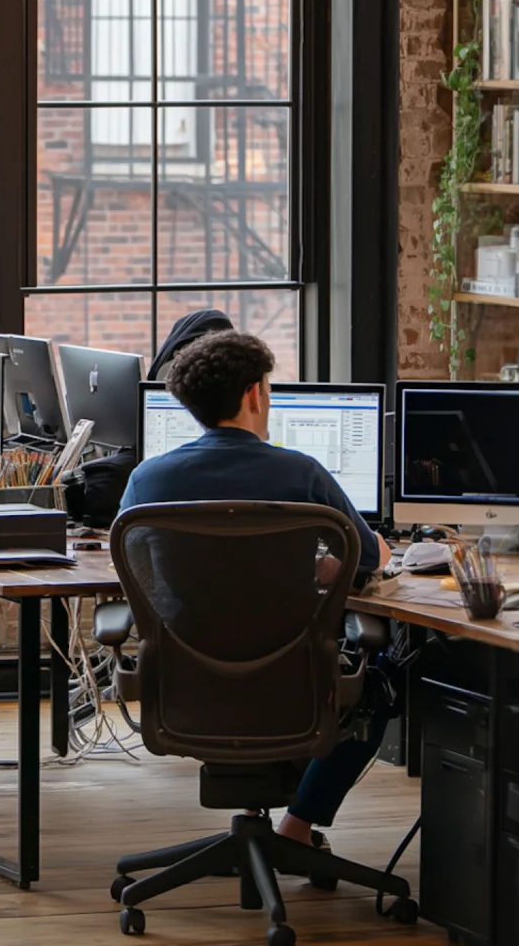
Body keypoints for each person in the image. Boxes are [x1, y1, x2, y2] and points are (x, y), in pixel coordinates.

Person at [116, 330, 394, 849]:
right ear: (254, 394)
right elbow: (369, 560)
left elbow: (142, 573)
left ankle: (267, 817)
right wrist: (323, 569)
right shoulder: (302, 474)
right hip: (291, 685)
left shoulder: (147, 481)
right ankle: (297, 827)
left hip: (186, 688)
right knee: (382, 685)